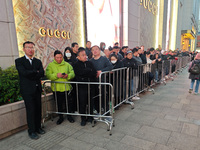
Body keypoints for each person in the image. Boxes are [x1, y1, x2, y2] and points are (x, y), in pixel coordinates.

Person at [15, 41, 45, 140]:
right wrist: (34, 72)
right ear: (24, 49)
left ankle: (38, 127)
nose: (31, 50)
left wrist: (33, 73)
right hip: (27, 90)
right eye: (28, 47)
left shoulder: (38, 61)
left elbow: (41, 73)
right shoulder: (19, 61)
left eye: (32, 47)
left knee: (38, 109)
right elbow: (24, 73)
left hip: (37, 89)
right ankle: (31, 131)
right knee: (31, 110)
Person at [46, 50, 75, 125]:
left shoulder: (67, 64)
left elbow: (72, 73)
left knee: (68, 103)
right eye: (57, 57)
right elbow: (48, 75)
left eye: (60, 57)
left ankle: (69, 116)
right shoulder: (50, 65)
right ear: (54, 57)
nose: (59, 59)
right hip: (56, 89)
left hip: (66, 88)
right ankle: (60, 117)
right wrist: (56, 75)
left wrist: (68, 76)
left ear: (62, 57)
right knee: (58, 104)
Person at [73, 47, 97, 126]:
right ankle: (83, 119)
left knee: (90, 102)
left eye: (85, 55)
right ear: (78, 57)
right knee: (82, 103)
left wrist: (87, 72)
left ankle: (90, 117)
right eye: (83, 55)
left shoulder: (90, 63)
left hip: (90, 86)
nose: (85, 56)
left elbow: (94, 73)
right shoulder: (76, 65)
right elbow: (79, 74)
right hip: (82, 87)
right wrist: (87, 71)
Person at [90, 45, 113, 113]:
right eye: (93, 50)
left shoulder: (104, 59)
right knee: (95, 96)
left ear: (99, 50)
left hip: (103, 81)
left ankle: (107, 111)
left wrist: (101, 71)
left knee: (104, 96)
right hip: (94, 81)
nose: (95, 51)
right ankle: (97, 110)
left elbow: (110, 66)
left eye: (96, 49)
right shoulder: (90, 61)